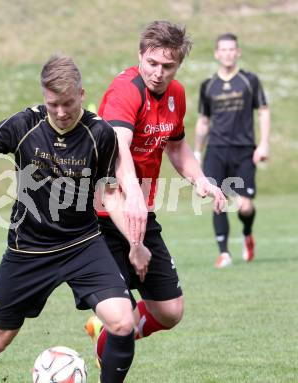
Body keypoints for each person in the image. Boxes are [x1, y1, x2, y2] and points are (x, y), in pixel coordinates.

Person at [0, 55, 136, 383]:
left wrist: (135, 243)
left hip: (82, 244)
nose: (60, 112)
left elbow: (109, 194)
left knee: (122, 321)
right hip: (28, 250)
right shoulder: (24, 124)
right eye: (52, 104)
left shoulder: (99, 133)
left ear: (82, 94)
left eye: (67, 103)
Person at [84, 20, 226, 366]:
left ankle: (108, 333)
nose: (159, 73)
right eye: (152, 63)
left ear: (178, 66)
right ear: (140, 56)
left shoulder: (176, 94)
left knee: (171, 311)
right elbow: (118, 147)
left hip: (139, 212)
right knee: (123, 319)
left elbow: (176, 147)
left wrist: (201, 180)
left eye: (168, 66)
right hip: (103, 215)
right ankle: (115, 334)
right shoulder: (125, 90)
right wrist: (134, 205)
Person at [194, 33, 270, 268]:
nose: (227, 53)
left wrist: (264, 143)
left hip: (244, 149)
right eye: (223, 50)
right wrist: (197, 152)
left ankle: (247, 233)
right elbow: (204, 120)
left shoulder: (249, 81)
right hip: (216, 149)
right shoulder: (208, 85)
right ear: (217, 54)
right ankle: (224, 253)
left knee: (245, 206)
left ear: (238, 52)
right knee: (217, 199)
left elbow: (263, 111)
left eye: (231, 49)